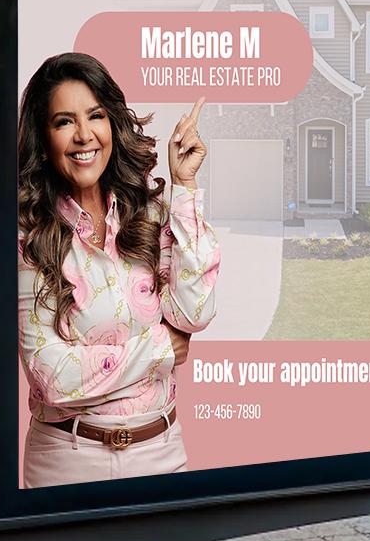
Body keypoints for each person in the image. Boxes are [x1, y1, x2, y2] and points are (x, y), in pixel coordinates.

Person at [17, 52, 219, 486]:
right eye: (64, 121)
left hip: (162, 453)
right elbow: (53, 376)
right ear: (43, 136)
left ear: (114, 125)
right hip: (66, 462)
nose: (84, 135)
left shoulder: (147, 215)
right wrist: (160, 350)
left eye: (96, 116)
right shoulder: (27, 236)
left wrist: (183, 188)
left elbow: (195, 312)